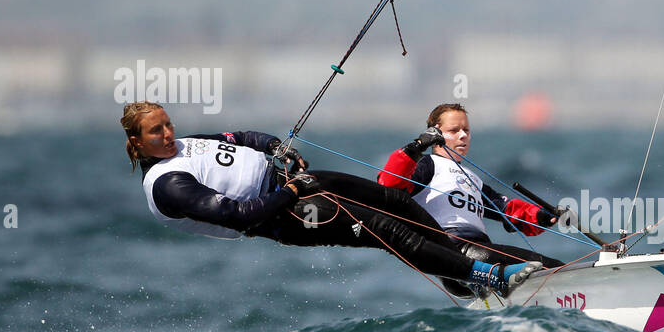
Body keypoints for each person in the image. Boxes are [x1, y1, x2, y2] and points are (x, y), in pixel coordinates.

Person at [120, 101, 541, 297]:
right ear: (137, 144)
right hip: (287, 213)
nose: (169, 135)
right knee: (386, 230)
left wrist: (271, 145)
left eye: (168, 124)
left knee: (395, 202)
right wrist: (289, 191)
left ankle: (458, 267)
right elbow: (239, 216)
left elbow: (238, 138)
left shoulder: (183, 145)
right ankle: (486, 276)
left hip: (296, 181)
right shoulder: (167, 183)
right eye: (156, 132)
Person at [377, 104, 566, 280]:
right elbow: (389, 185)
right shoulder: (427, 165)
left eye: (466, 130)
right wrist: (417, 146)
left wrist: (540, 216)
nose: (463, 135)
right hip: (453, 251)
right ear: (434, 134)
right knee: (550, 267)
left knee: (533, 267)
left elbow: (506, 209)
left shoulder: (470, 177)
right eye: (454, 130)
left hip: (478, 254)